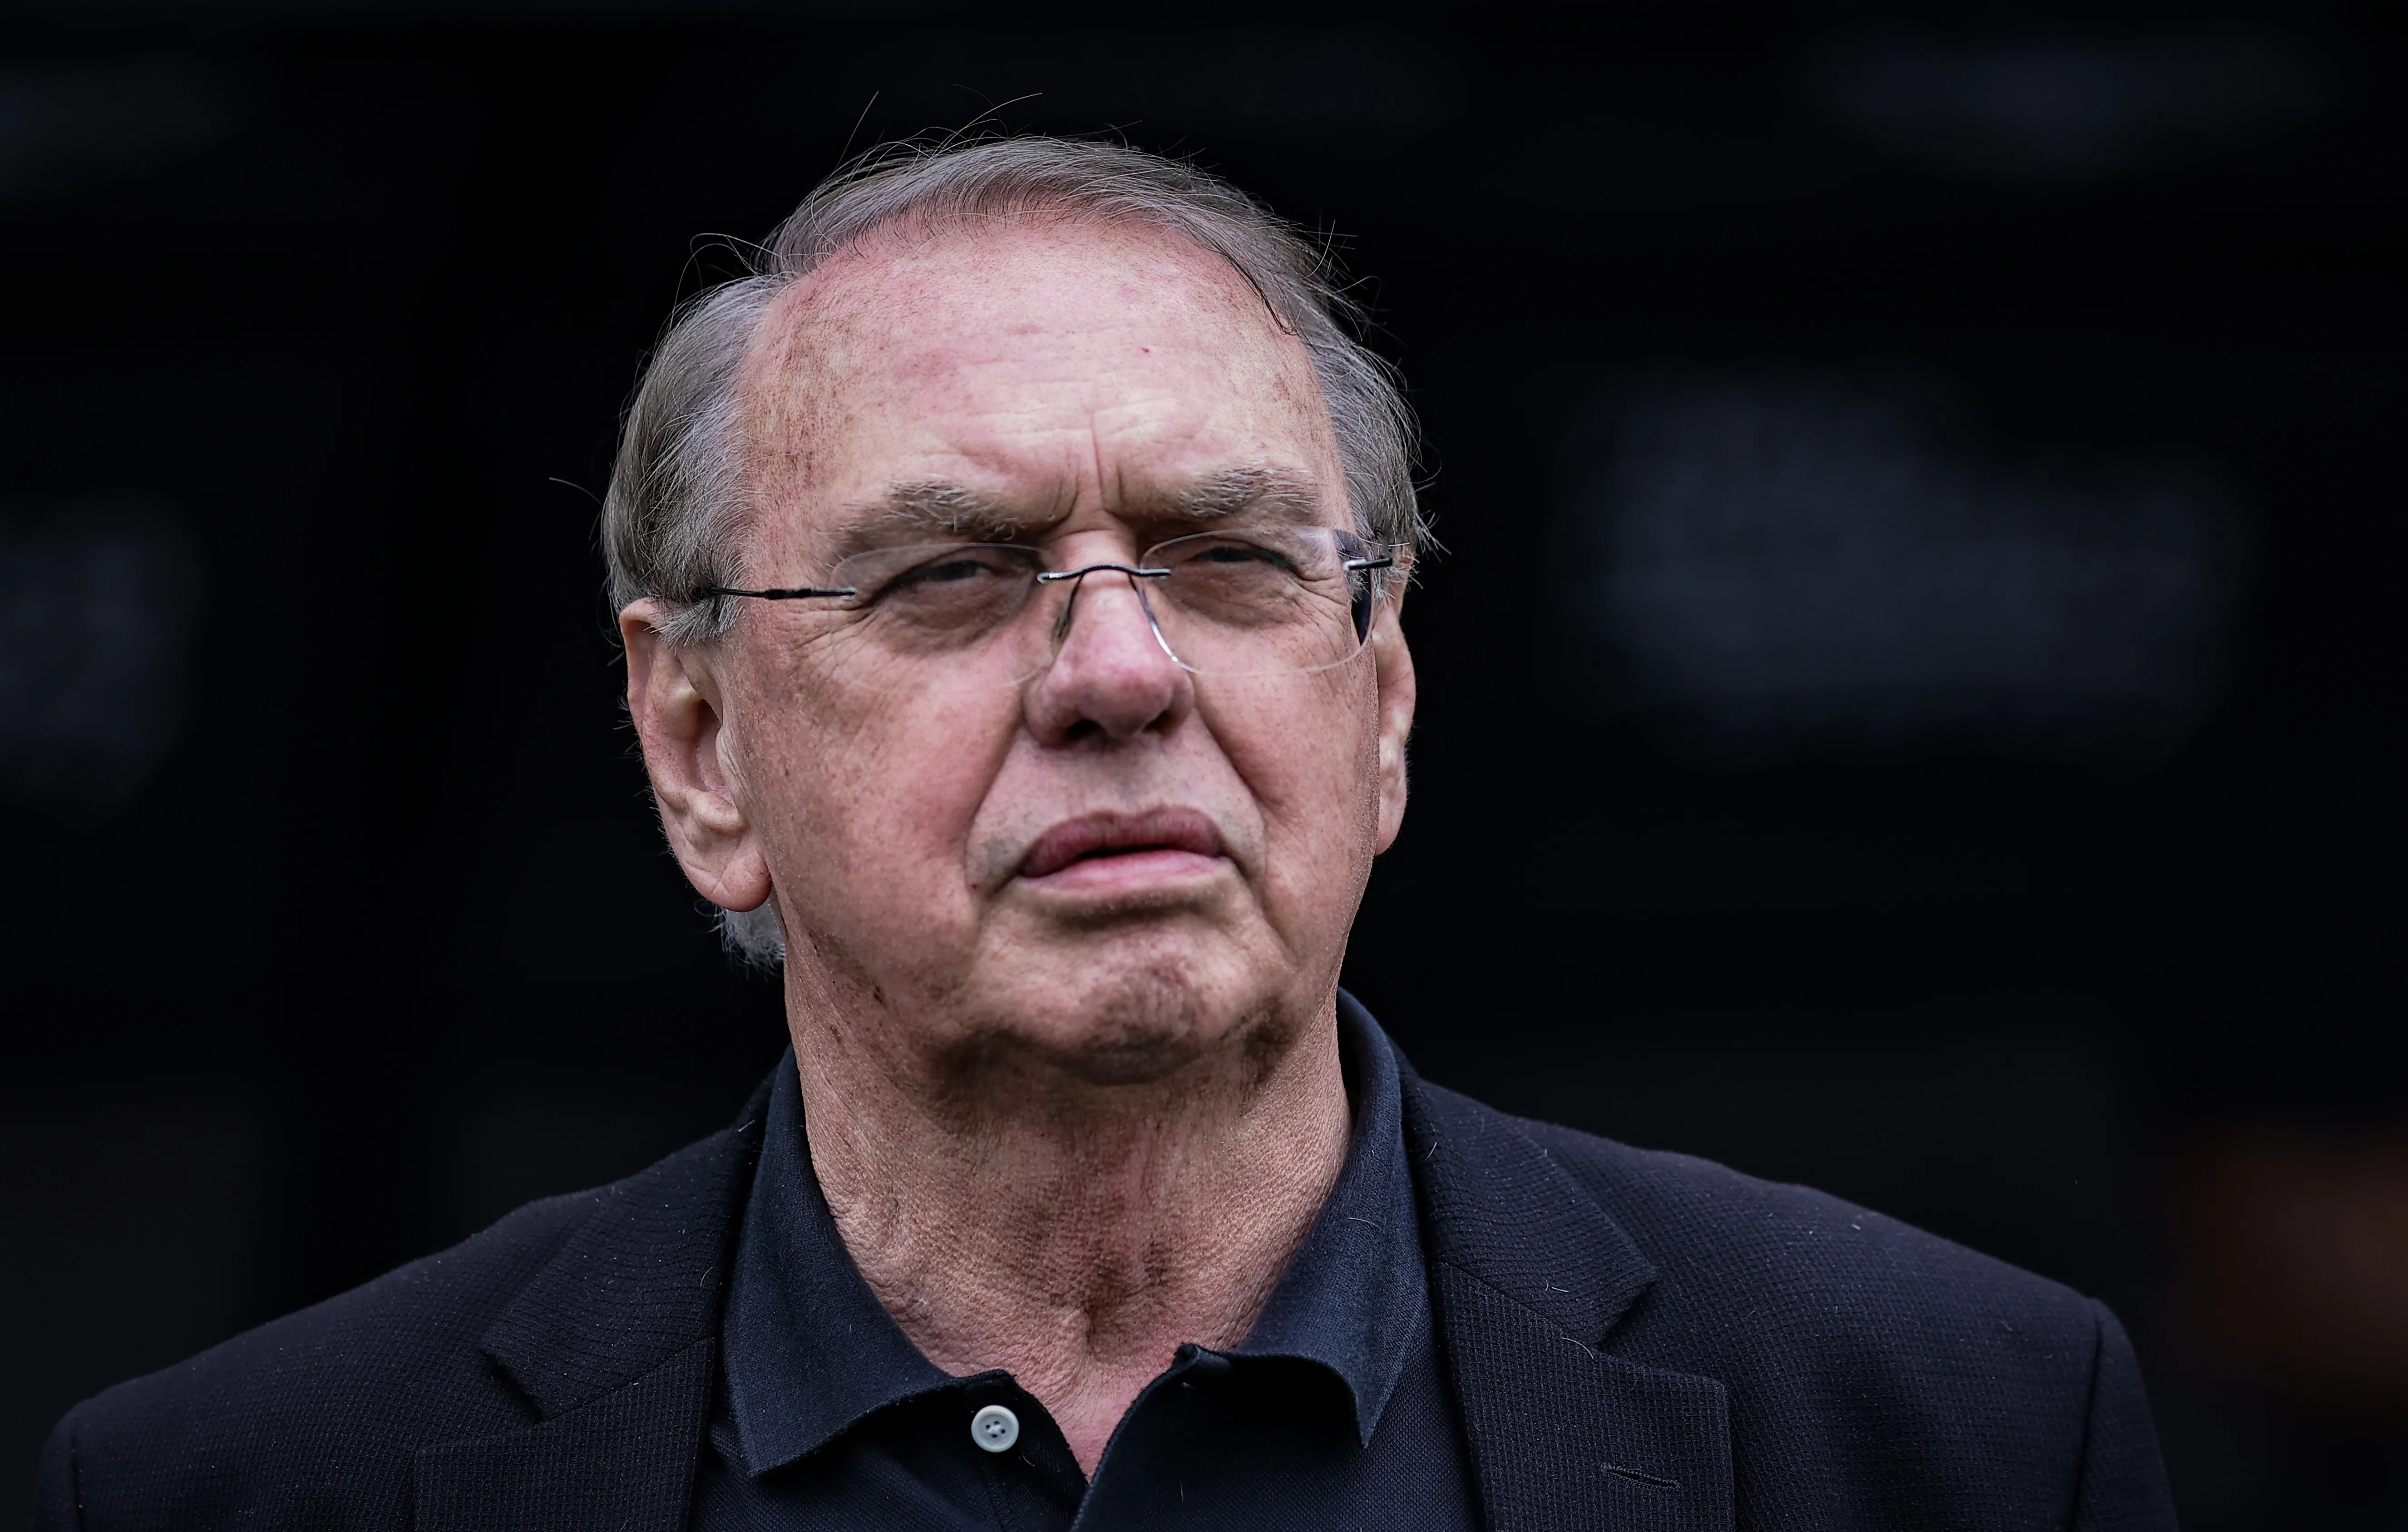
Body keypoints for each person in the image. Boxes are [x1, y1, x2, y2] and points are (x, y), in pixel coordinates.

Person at [32, 137, 2176, 1532]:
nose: (1120, 671)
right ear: (699, 748)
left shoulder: (1947, 1438)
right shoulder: (239, 1495)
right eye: (951, 574)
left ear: (1388, 694)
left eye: (1229, 559)